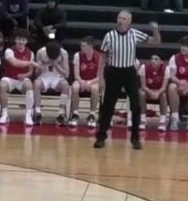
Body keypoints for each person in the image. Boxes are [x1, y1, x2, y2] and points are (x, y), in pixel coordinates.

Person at [94, 10, 161, 150]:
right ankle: (101, 137)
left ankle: (135, 138)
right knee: (108, 106)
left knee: (136, 106)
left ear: (129, 21)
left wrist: (155, 30)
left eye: (124, 19)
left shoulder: (134, 33)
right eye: (119, 18)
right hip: (113, 72)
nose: (121, 21)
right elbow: (103, 57)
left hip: (129, 72)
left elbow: (155, 42)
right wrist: (100, 77)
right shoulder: (109, 35)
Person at [0, 31, 36, 125]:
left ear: (26, 41)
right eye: (19, 39)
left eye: (23, 40)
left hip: (22, 79)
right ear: (15, 40)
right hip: (9, 78)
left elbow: (30, 71)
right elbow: (15, 63)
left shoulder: (30, 53)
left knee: (29, 85)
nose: (21, 42)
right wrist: (30, 63)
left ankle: (28, 115)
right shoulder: (9, 50)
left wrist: (25, 75)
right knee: (2, 86)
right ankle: (4, 114)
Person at [34, 40, 71, 126]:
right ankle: (38, 112)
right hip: (44, 76)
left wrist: (55, 64)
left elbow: (66, 74)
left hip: (57, 77)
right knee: (36, 84)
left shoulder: (64, 53)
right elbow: (36, 74)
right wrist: (41, 66)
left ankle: (61, 113)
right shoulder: (40, 52)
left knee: (66, 85)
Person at [70, 37, 104, 129]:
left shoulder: (100, 57)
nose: (81, 47)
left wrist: (89, 82)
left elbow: (99, 76)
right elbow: (76, 74)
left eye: (83, 46)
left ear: (90, 46)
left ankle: (92, 114)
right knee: (74, 87)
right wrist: (81, 81)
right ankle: (75, 114)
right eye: (81, 45)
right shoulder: (78, 55)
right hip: (81, 79)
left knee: (94, 88)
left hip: (94, 81)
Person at [138, 53, 170, 132]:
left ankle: (162, 121)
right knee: (141, 93)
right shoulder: (143, 67)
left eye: (156, 59)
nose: (153, 61)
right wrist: (151, 93)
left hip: (159, 90)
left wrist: (157, 93)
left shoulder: (166, 69)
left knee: (163, 95)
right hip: (147, 90)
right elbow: (143, 86)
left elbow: (164, 87)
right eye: (152, 59)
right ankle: (143, 119)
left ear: (161, 62)